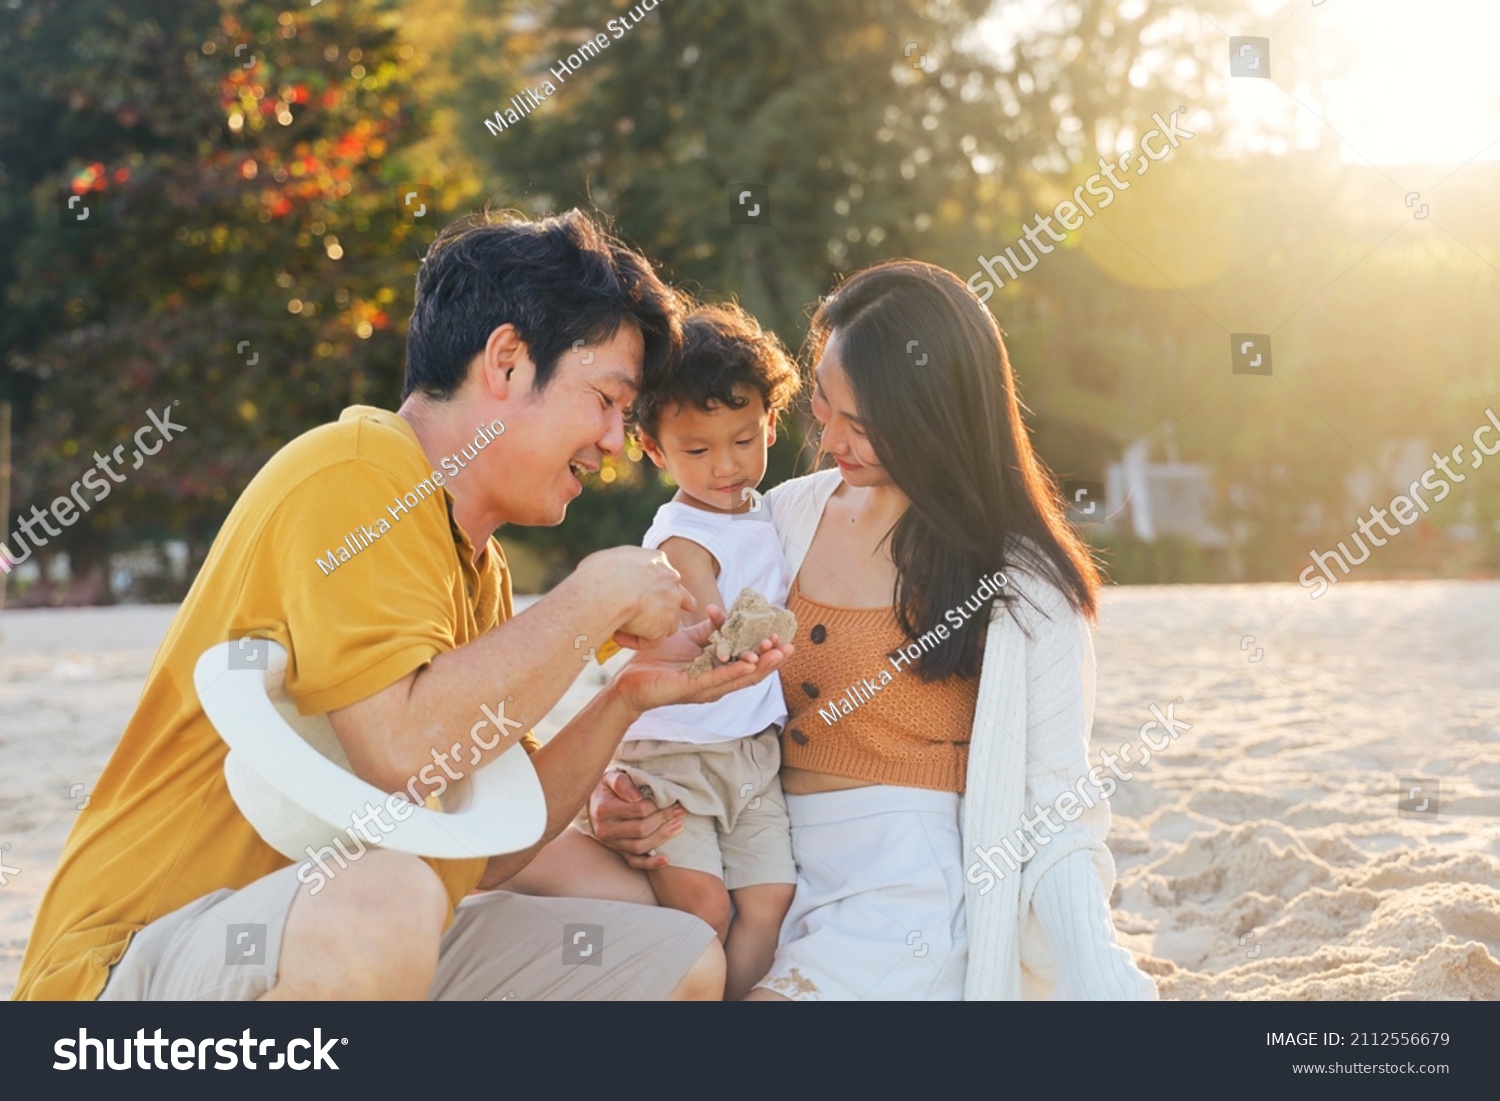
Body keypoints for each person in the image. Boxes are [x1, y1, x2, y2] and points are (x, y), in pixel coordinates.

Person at [13, 208, 791, 1002]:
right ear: (508, 361)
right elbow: (403, 753)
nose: (616, 442)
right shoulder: (356, 473)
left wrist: (627, 696)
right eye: (605, 400)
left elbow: (486, 846)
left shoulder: (474, 563)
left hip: (336, 936)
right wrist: (592, 596)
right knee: (385, 900)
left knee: (673, 960)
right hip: (136, 965)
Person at [583, 260, 1158, 1000]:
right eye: (822, 405)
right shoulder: (781, 515)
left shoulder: (1020, 585)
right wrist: (617, 792)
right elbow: (667, 666)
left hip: (901, 890)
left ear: (931, 416)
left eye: (860, 423)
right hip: (762, 852)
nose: (828, 436)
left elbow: (1059, 808)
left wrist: (1100, 974)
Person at [570, 303, 802, 1000]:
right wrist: (718, 635)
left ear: (769, 420)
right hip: (674, 756)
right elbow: (702, 628)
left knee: (771, 896)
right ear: (655, 450)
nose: (727, 465)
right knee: (705, 909)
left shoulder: (767, 511)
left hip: (749, 750)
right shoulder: (681, 536)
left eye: (745, 438)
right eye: (698, 451)